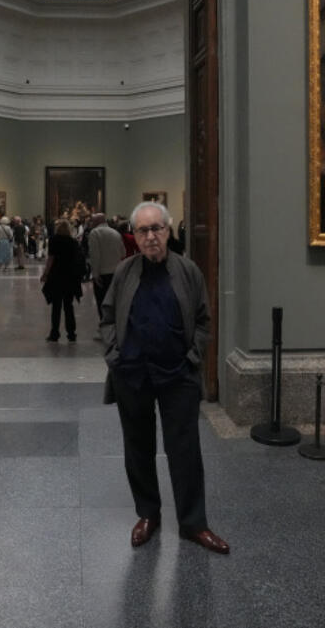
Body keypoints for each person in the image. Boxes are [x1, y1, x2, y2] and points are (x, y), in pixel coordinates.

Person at [100, 201, 228, 555]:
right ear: (135, 237)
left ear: (169, 231)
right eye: (143, 230)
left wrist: (192, 359)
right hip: (133, 376)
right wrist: (114, 356)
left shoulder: (188, 272)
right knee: (138, 449)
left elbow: (203, 322)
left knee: (184, 450)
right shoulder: (124, 272)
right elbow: (107, 316)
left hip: (177, 377)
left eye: (157, 228)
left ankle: (193, 523)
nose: (151, 236)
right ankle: (148, 514)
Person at [40, 219, 83, 342]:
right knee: (69, 306)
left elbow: (51, 259)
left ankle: (54, 333)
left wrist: (45, 274)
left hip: (56, 276)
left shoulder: (54, 240)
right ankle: (71, 333)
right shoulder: (73, 242)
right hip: (70, 277)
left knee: (56, 306)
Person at [86, 213, 126, 340]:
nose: (90, 223)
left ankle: (104, 330)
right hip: (116, 272)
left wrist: (95, 274)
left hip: (103, 274)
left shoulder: (95, 233)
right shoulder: (115, 233)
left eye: (92, 221)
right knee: (114, 302)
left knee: (102, 302)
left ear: (97, 221)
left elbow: (95, 255)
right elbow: (123, 252)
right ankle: (116, 329)